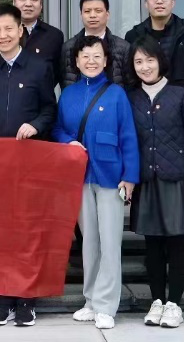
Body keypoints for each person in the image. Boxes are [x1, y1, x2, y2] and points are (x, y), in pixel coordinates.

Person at [0, 3, 57, 328]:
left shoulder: (39, 67)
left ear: (21, 30)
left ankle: (26, 298)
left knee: (27, 231)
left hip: (29, 164)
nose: (3, 35)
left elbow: (50, 110)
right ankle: (3, 297)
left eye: (9, 28)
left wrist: (35, 125)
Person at [54, 35, 139, 331]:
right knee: (89, 241)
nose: (91, 61)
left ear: (106, 61)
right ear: (76, 61)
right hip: (80, 176)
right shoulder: (68, 94)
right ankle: (90, 299)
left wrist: (130, 176)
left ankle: (106, 305)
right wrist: (68, 141)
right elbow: (57, 128)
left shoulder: (117, 93)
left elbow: (128, 135)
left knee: (110, 241)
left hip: (111, 176)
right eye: (85, 56)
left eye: (96, 56)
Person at [125, 39, 184, 329]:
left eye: (150, 60)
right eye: (138, 62)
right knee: (152, 244)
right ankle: (157, 301)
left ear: (160, 61)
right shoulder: (131, 97)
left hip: (177, 179)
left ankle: (174, 303)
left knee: (177, 242)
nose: (145, 67)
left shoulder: (181, 94)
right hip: (146, 180)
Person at [60, 0, 131, 87]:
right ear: (81, 15)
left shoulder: (123, 47)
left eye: (98, 11)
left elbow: (130, 84)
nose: (92, 15)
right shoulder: (68, 47)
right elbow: (64, 81)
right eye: (87, 11)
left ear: (107, 14)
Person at [12, 0, 64, 83]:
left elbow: (57, 72)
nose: (28, 4)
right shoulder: (2, 33)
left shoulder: (54, 35)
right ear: (14, 2)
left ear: (41, 4)